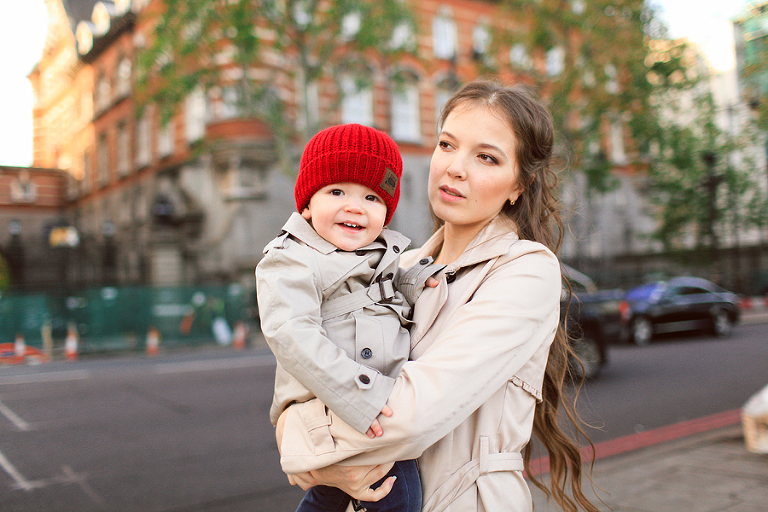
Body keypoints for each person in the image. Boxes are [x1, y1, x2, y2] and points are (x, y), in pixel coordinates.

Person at [274, 79, 600, 512]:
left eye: (486, 157)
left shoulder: (525, 269)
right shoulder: (400, 267)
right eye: (447, 145)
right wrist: (297, 439)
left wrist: (301, 450)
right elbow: (297, 382)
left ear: (518, 186)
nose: (455, 168)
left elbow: (408, 416)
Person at [256, 123, 440, 512]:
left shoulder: (378, 255)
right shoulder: (291, 258)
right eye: (337, 191)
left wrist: (414, 283)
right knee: (398, 497)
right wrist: (359, 394)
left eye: (372, 197)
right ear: (307, 203)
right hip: (340, 404)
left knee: (331, 497)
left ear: (386, 212)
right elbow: (291, 334)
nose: (355, 206)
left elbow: (375, 301)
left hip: (369, 403)